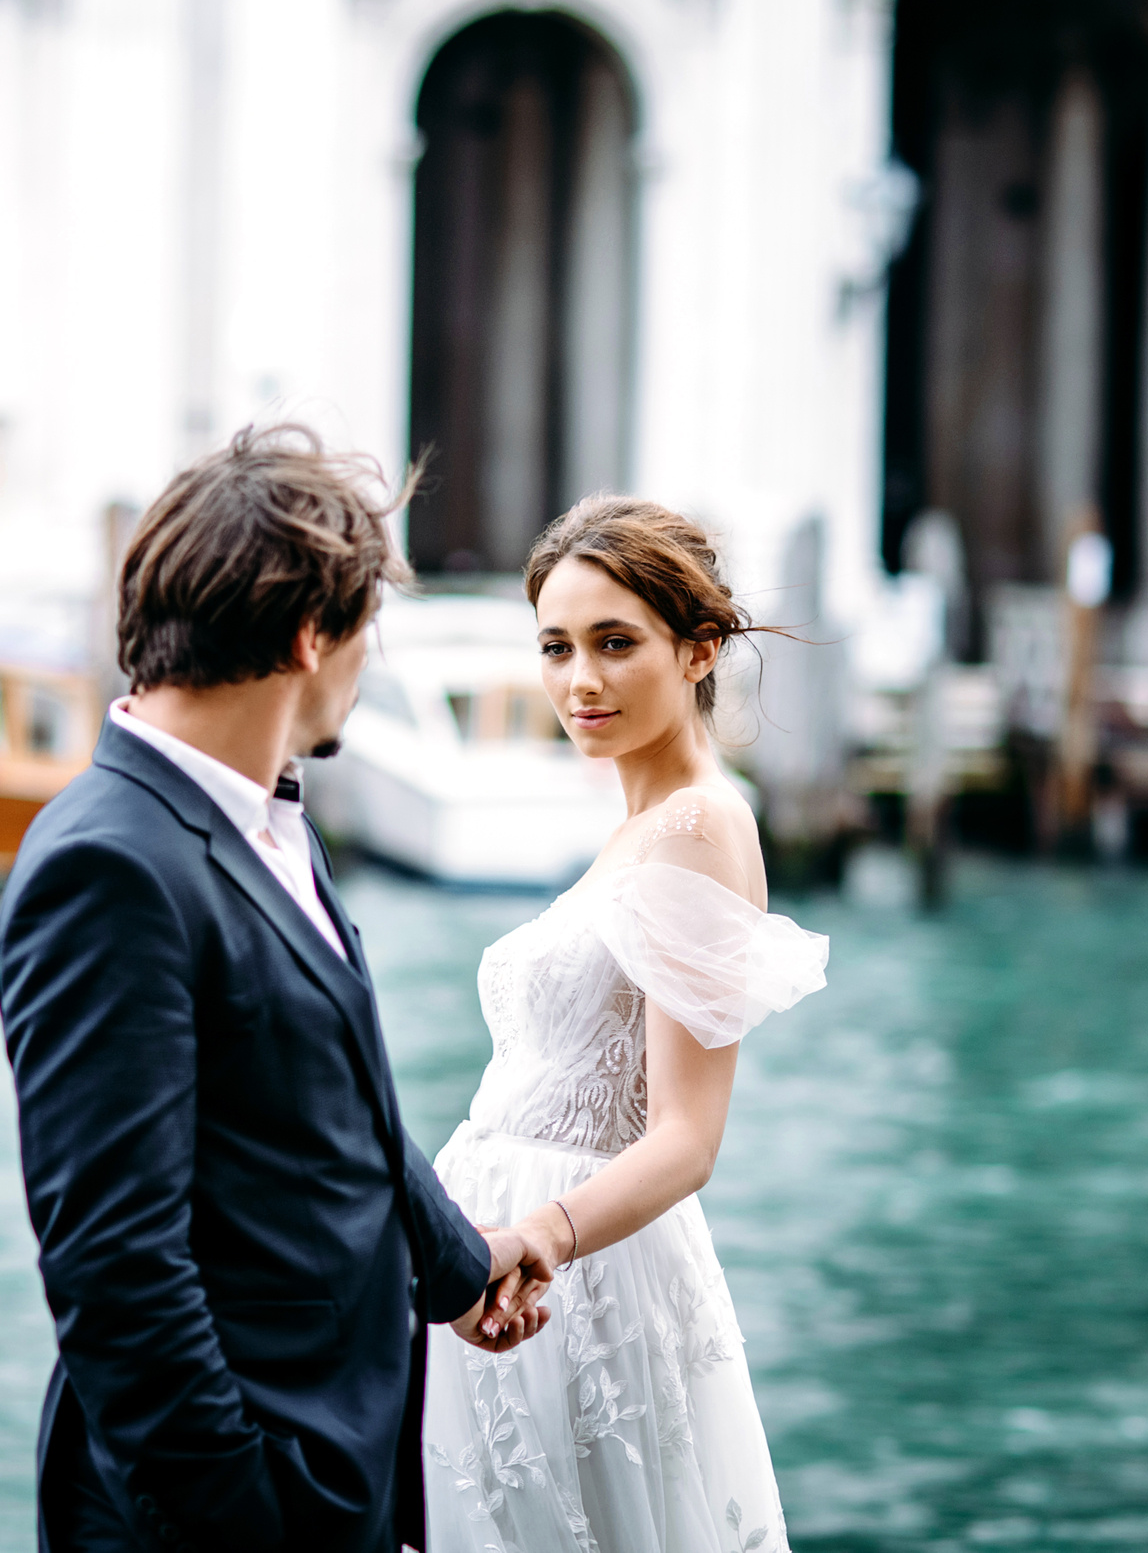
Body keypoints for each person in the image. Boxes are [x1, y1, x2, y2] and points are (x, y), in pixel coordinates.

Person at [0, 426, 561, 1553]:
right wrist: (247, 1518)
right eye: (367, 631)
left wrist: (460, 1265)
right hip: (230, 1506)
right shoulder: (106, 866)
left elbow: (329, 1098)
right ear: (311, 635)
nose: (370, 663)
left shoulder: (262, 814)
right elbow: (116, 1269)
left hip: (341, 1456)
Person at [420, 495, 831, 1553]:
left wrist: (533, 1238)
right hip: (504, 1266)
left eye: (615, 643)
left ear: (697, 651)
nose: (579, 681)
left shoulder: (696, 822)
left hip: (576, 1279)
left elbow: (688, 1139)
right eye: (556, 647)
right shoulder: (638, 826)